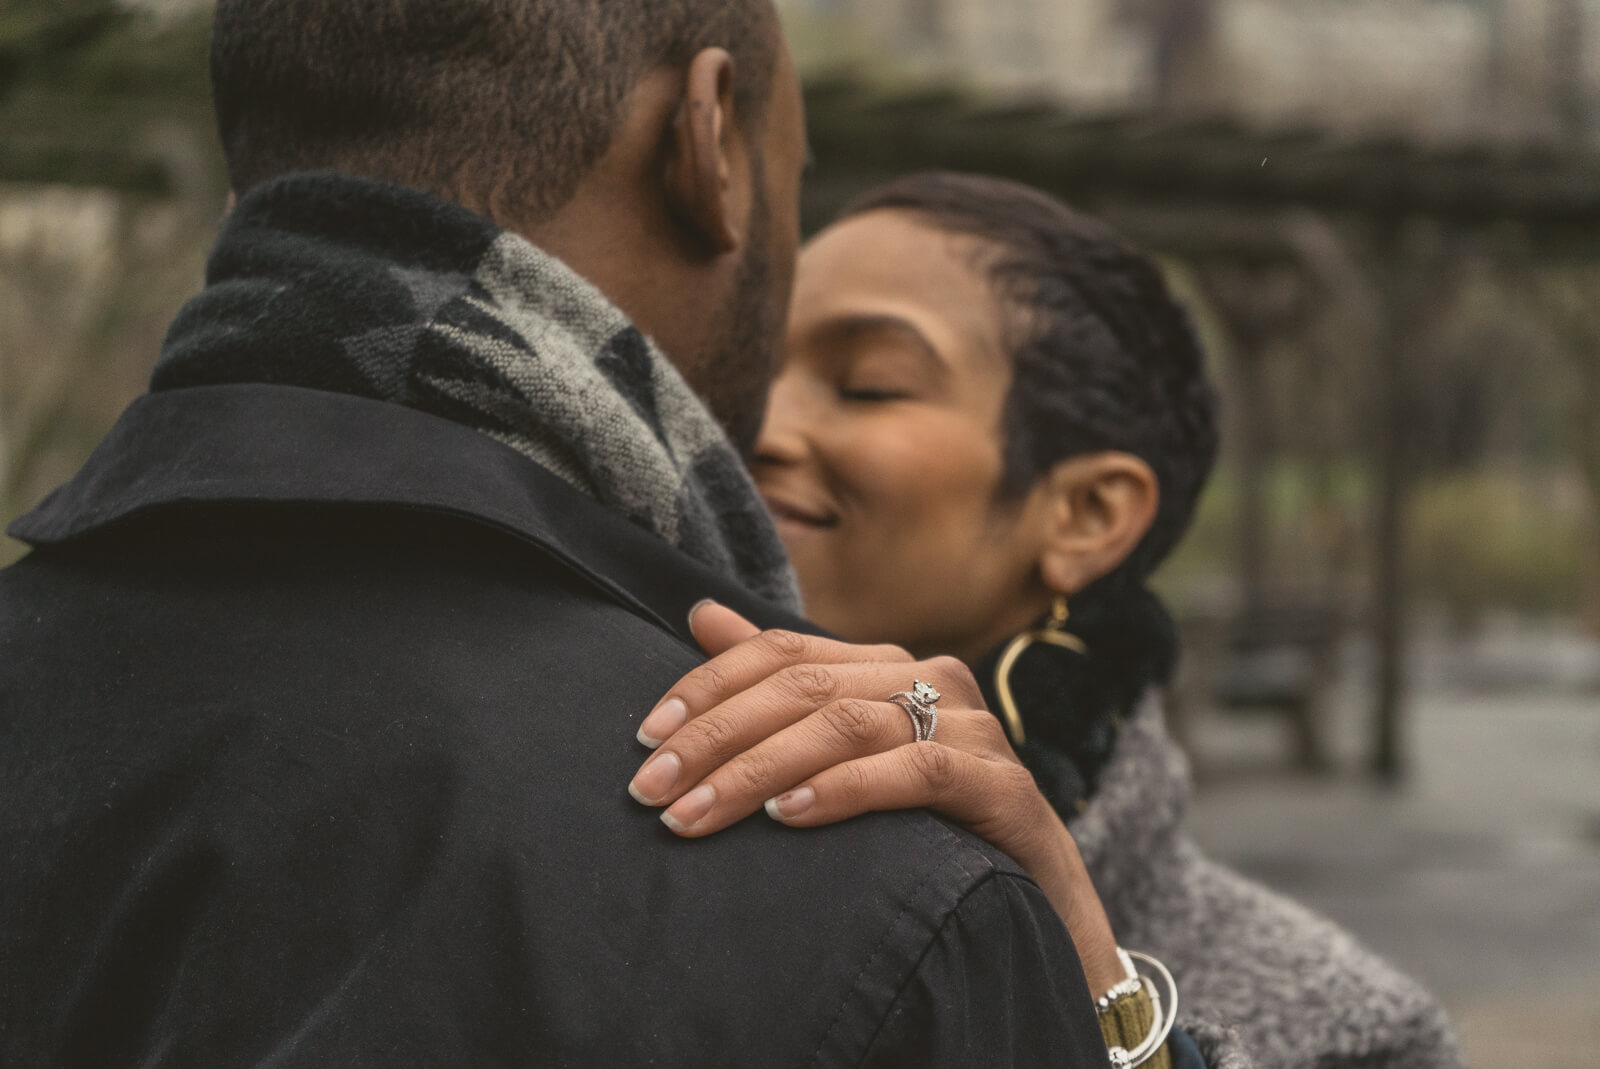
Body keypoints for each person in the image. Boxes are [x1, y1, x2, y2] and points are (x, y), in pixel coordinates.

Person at [0, 9, 1129, 1067]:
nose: (793, 426)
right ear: (708, 143)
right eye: (795, 180)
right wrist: (1081, 992)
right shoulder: (879, 894)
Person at [629, 173, 1465, 1069]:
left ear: (1086, 514)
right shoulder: (621, 804)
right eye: (752, 367)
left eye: (868, 384)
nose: (755, 425)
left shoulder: (1351, 1029)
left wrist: (1091, 990)